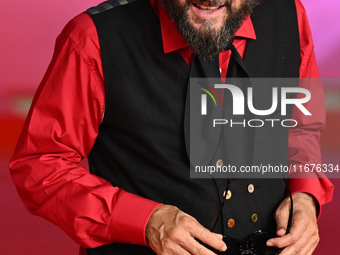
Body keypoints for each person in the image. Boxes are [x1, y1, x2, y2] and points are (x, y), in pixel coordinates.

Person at [9, 0, 334, 254]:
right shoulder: (92, 38)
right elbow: (40, 165)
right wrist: (145, 221)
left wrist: (305, 196)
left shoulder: (290, 15)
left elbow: (301, 127)